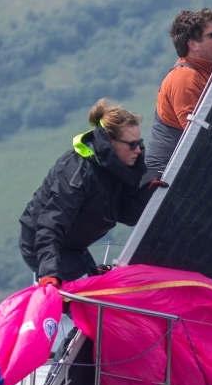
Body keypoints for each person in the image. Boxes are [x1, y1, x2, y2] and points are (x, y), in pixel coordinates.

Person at [19, 99, 149, 285]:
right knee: (88, 300)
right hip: (42, 244)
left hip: (72, 245)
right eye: (131, 144)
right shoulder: (77, 173)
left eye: (140, 143)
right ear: (110, 142)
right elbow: (49, 225)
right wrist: (49, 272)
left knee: (100, 293)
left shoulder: (118, 169)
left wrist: (146, 192)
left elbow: (127, 215)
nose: (138, 150)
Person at [145, 8, 212, 175]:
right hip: (167, 178)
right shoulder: (184, 78)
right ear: (193, 45)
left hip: (189, 170)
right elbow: (198, 140)